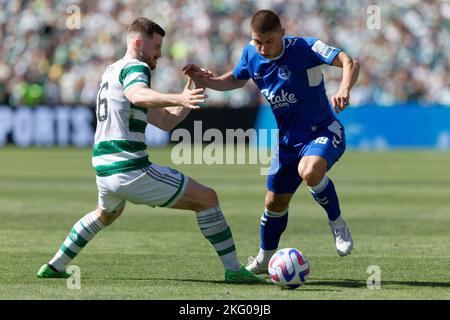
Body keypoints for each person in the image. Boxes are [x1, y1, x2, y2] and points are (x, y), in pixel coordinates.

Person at [36, 17, 265, 284]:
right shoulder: (136, 68)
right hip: (129, 167)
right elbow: (137, 95)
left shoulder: (112, 71)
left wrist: (194, 85)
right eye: (156, 46)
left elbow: (167, 121)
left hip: (104, 166)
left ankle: (55, 265)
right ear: (137, 42)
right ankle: (234, 270)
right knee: (207, 198)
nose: (159, 53)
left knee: (106, 213)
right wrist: (178, 97)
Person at [184, 10, 360, 274]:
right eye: (258, 42)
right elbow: (235, 79)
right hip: (287, 141)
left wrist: (344, 88)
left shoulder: (305, 47)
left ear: (282, 34)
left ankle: (337, 223)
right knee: (273, 203)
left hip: (322, 129)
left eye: (269, 41)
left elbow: (349, 61)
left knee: (310, 171)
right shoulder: (251, 54)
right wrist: (206, 81)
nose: (263, 48)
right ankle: (265, 259)